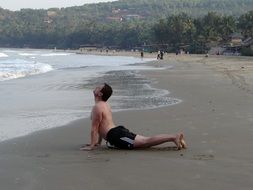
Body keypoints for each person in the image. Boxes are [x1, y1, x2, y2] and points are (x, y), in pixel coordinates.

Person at [81, 83, 186, 151]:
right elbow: (100, 126)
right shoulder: (104, 105)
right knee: (145, 142)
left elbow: (94, 129)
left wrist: (91, 146)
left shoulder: (98, 107)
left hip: (116, 136)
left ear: (100, 93)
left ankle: (173, 137)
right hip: (116, 133)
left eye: (98, 87)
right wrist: (98, 143)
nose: (96, 87)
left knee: (145, 142)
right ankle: (173, 137)